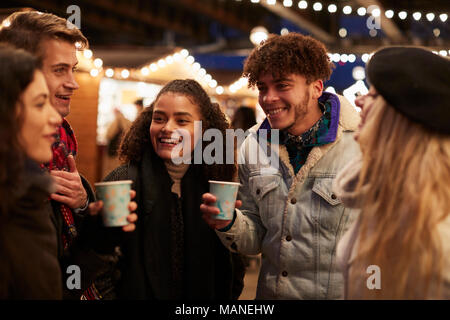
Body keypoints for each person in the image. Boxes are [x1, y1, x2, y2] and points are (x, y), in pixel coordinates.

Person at [201, 33, 361, 299]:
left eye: (282, 86)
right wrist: (228, 222)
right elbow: (257, 237)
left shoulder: (360, 145)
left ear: (316, 88)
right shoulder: (252, 145)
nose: (268, 98)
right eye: (262, 88)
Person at [0, 11, 137, 299]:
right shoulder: (17, 185)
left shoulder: (63, 157)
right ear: (20, 72)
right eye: (60, 69)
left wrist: (89, 212)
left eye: (73, 69)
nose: (73, 82)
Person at [103, 79, 245, 299]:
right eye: (158, 119)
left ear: (204, 129)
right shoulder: (122, 181)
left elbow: (231, 264)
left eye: (181, 120)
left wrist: (231, 226)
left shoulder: (215, 184)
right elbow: (100, 259)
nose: (167, 128)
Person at [334, 46, 450, 299]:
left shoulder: (436, 228)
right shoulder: (385, 194)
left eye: (374, 95)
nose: (358, 100)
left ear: (399, 119)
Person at [0, 44, 63, 299]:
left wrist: (99, 237)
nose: (55, 117)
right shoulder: (15, 208)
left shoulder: (26, 195)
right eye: (39, 104)